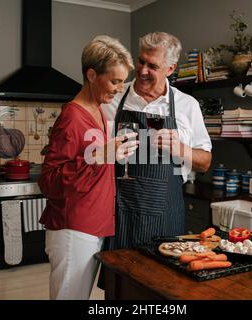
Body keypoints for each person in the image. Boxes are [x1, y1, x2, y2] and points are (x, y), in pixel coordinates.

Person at [38, 35, 137, 300]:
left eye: (122, 81)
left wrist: (111, 155)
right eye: (114, 81)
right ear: (91, 75)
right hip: (74, 230)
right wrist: (99, 157)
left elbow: (95, 165)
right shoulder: (72, 117)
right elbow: (48, 182)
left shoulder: (101, 111)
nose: (119, 88)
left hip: (95, 225)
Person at [101, 31, 212, 249]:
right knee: (120, 280)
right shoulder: (111, 100)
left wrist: (180, 149)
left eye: (152, 66)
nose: (142, 71)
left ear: (170, 69)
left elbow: (205, 162)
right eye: (141, 61)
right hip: (120, 213)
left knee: (162, 279)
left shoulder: (187, 105)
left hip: (166, 214)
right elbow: (92, 152)